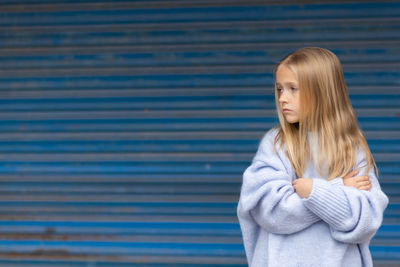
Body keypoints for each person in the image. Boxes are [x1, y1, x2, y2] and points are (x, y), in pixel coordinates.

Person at [237, 47, 389, 267]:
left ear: (322, 92)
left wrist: (314, 191)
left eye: (293, 89)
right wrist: (340, 188)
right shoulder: (276, 144)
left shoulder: (352, 148)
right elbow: (271, 210)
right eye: (279, 89)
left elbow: (364, 221)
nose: (282, 98)